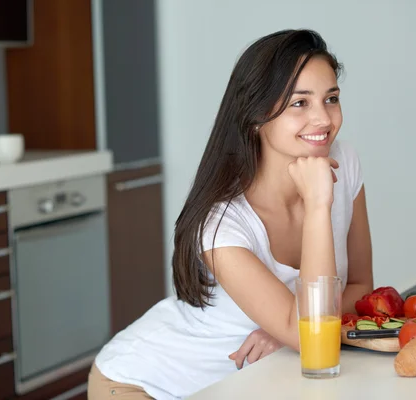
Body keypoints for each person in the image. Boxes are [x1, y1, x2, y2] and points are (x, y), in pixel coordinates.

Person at [88, 29, 373, 400]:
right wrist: (319, 206)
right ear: (255, 114)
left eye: (331, 98)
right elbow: (310, 332)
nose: (323, 119)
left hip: (243, 383)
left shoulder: (344, 162)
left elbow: (361, 290)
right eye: (299, 103)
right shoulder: (222, 222)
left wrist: (286, 332)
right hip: (141, 382)